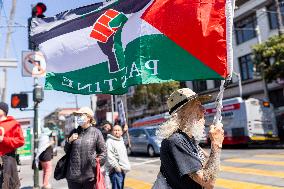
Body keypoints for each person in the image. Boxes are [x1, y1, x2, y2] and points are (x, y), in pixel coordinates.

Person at [152, 88, 224, 189]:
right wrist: (216, 144)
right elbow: (208, 182)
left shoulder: (188, 139)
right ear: (183, 112)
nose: (204, 110)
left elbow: (207, 166)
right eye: (198, 105)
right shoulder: (176, 140)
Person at [65, 107, 107, 189]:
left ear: (88, 118)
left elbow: (103, 153)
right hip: (73, 177)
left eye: (81, 115)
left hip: (90, 177)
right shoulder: (73, 132)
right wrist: (69, 140)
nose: (78, 117)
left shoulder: (96, 132)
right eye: (78, 115)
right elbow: (66, 150)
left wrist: (94, 163)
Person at [0, 102, 25, 189]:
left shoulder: (13, 124)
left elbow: (21, 141)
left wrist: (4, 140)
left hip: (7, 158)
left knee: (8, 185)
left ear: (4, 110)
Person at [106, 125, 131, 189]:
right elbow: (110, 156)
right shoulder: (109, 141)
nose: (117, 132)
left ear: (121, 132)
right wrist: (117, 168)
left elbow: (128, 145)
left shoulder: (121, 140)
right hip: (115, 171)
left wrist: (126, 131)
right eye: (115, 130)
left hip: (122, 170)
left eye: (118, 130)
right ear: (112, 132)